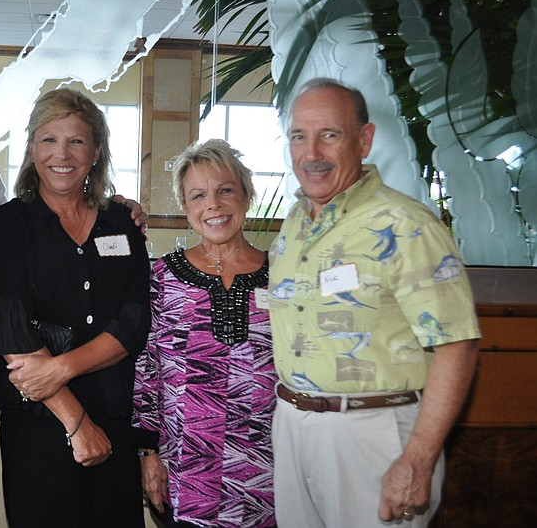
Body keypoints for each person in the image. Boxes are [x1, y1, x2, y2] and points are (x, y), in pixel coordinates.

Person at [268, 77, 481, 527]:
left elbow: (457, 345)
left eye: (330, 135)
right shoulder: (293, 225)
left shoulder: (405, 223)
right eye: (299, 136)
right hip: (292, 426)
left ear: (364, 140)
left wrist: (419, 459)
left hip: (374, 433)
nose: (312, 154)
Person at [0, 88, 151, 528]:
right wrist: (77, 425)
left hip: (114, 411)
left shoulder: (120, 223)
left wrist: (58, 369)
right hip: (40, 418)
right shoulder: (9, 224)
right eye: (49, 139)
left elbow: (134, 322)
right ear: (32, 148)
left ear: (96, 151)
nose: (62, 153)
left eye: (76, 141)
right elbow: (10, 329)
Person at [132, 139, 277, 527]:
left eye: (225, 190)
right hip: (185, 473)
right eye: (198, 195)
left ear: (246, 195)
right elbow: (145, 371)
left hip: (269, 475)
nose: (213, 205)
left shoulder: (283, 277)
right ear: (186, 207)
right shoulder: (160, 278)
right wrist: (147, 453)